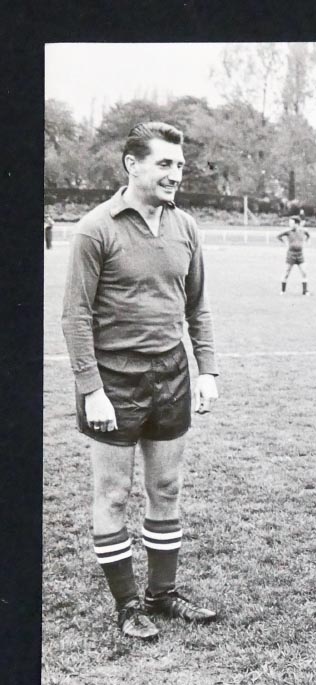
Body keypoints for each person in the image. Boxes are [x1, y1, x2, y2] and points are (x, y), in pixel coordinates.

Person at [61, 121, 219, 641]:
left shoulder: (185, 226)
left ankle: (162, 594)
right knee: (113, 494)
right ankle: (128, 605)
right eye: (165, 164)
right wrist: (92, 390)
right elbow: (75, 317)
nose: (176, 174)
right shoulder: (96, 228)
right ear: (132, 165)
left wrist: (207, 369)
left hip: (171, 374)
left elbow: (197, 306)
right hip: (114, 380)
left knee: (166, 488)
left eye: (180, 165)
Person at [278, 216, 311, 295]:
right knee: (287, 272)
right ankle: (283, 291)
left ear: (297, 224)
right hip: (291, 254)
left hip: (300, 255)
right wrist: (285, 243)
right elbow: (278, 236)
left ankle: (305, 291)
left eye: (291, 223)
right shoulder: (288, 231)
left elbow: (308, 235)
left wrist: (306, 241)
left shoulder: (303, 231)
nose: (290, 224)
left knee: (304, 272)